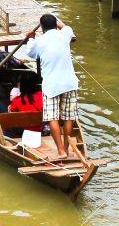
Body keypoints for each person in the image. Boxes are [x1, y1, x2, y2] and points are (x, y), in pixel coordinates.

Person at [24, 14, 79, 160]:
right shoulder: (64, 34)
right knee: (69, 117)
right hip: (70, 83)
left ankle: (61, 151)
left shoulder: (39, 41)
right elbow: (66, 27)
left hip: (51, 85)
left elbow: (30, 53)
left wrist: (30, 37)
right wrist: (58, 22)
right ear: (55, 25)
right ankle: (66, 149)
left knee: (52, 117)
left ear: (42, 28)